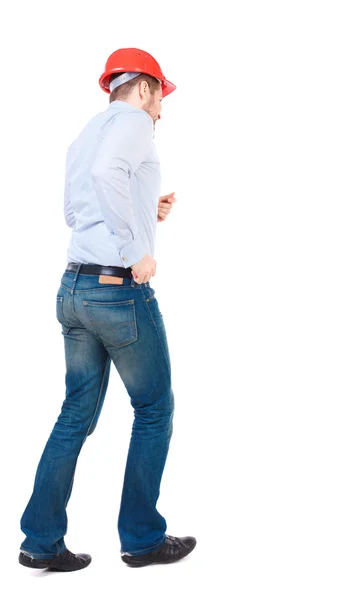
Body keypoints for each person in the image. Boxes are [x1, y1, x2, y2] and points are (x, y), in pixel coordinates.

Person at [18, 47, 196, 571]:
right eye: (162, 95)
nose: (163, 109)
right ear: (143, 87)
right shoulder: (136, 122)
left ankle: (41, 542)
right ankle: (142, 539)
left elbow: (77, 211)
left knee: (75, 414)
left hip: (73, 290)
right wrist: (135, 251)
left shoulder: (86, 132)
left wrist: (147, 211)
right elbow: (106, 177)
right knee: (155, 409)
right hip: (117, 294)